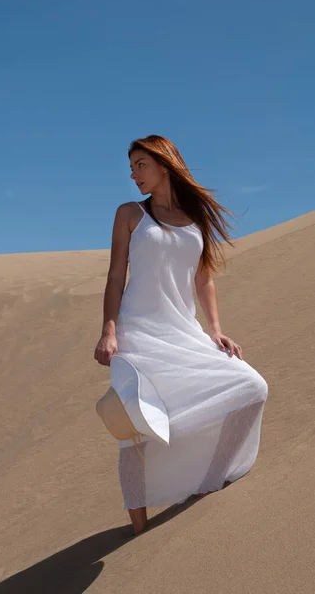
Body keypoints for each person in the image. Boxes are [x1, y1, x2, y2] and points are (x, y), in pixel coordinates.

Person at [94, 135, 268, 536]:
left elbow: (204, 278)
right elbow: (116, 275)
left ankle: (209, 480)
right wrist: (109, 329)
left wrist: (216, 331)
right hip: (136, 333)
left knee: (252, 387)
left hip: (183, 333)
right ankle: (138, 526)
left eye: (141, 165)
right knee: (134, 427)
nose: (134, 174)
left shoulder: (196, 219)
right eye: (132, 167)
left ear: (165, 165)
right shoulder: (129, 214)